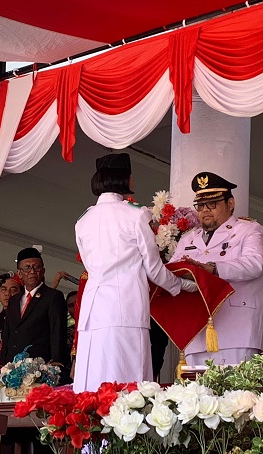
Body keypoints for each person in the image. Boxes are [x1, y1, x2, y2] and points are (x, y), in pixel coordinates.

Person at [74, 153, 194, 392]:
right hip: (125, 307)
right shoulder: (136, 215)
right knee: (129, 386)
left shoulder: (83, 220)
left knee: (94, 383)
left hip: (93, 310)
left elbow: (89, 266)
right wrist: (184, 285)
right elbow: (154, 269)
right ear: (123, 178)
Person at [170, 171, 263, 366]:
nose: (205, 210)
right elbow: (171, 272)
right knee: (196, 393)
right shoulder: (188, 238)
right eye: (200, 205)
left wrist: (213, 269)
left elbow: (256, 263)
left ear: (230, 204)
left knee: (236, 394)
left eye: (212, 204)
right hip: (196, 330)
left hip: (237, 328)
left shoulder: (248, 229)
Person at [1, 247, 69, 382]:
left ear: (43, 271)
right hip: (13, 369)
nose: (32, 271)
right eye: (27, 267)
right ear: (19, 273)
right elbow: (8, 333)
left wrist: (56, 362)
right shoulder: (14, 300)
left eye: (36, 267)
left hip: (40, 369)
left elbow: (58, 331)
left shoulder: (53, 296)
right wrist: (4, 363)